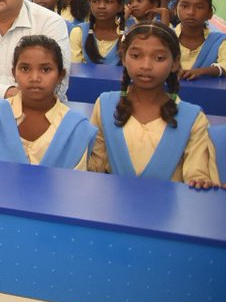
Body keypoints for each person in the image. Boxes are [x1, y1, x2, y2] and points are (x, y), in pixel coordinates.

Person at [88, 22, 213, 183]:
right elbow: (95, 165)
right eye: (136, 56)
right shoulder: (105, 104)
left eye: (159, 58)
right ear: (124, 58)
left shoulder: (193, 118)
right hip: (113, 206)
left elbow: (197, 176)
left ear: (175, 63)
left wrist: (201, 182)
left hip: (168, 207)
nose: (146, 66)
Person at [0, 35, 98, 169]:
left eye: (45, 69)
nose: (34, 78)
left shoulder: (76, 128)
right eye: (25, 69)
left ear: (60, 76)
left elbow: (73, 185)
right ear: (13, 73)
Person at [175, 0, 226, 79]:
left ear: (210, 13)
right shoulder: (166, 37)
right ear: (176, 9)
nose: (191, 12)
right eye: (184, 6)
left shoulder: (219, 41)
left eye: (199, 7)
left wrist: (203, 71)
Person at [69, 0, 126, 65]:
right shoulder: (79, 32)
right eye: (95, 1)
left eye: (108, 1)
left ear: (120, 6)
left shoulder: (128, 35)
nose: (101, 6)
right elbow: (75, 68)